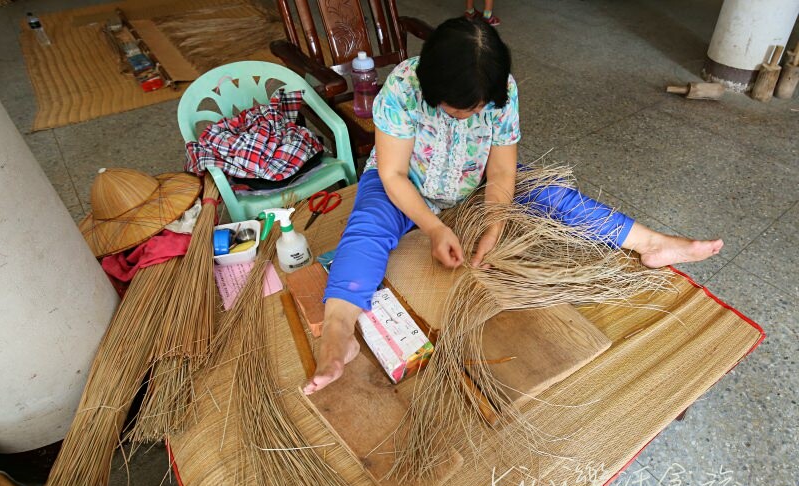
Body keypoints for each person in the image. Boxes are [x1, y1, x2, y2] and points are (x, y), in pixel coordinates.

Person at [303, 18, 723, 395]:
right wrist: (433, 227)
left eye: (479, 108)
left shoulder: (501, 90)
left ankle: (651, 243)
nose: (471, 116)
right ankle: (339, 332)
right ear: (431, 89)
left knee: (550, 195)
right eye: (459, 110)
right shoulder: (402, 88)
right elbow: (394, 174)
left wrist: (495, 225)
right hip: (408, 182)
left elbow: (502, 170)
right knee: (368, 226)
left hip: (475, 178)